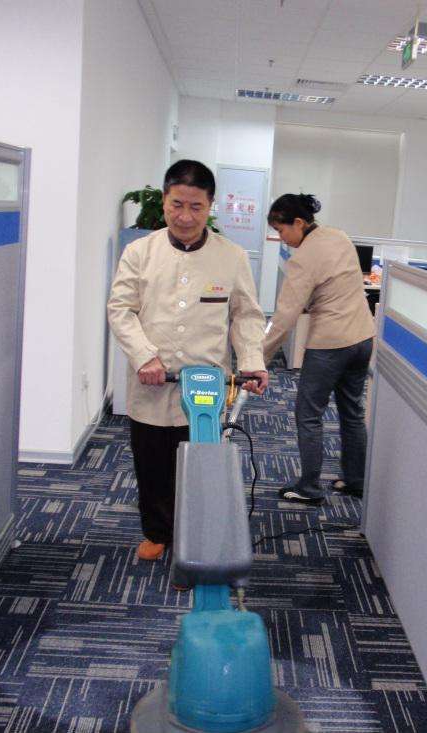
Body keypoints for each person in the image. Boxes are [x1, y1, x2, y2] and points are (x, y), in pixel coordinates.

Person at [108, 160, 268, 561]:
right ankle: (157, 532)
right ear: (164, 200)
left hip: (204, 386)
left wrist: (252, 360)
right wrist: (144, 356)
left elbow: (246, 315)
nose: (185, 216)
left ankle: (193, 545)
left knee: (199, 469)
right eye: (177, 205)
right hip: (151, 381)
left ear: (211, 206)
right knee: (152, 464)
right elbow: (121, 309)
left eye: (196, 207)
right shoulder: (139, 252)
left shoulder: (231, 256)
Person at [263, 194, 375, 505]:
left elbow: (285, 317)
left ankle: (309, 487)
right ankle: (357, 480)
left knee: (308, 414)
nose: (282, 239)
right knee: (352, 412)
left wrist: (259, 357)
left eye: (282, 230)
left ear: (299, 223)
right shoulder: (339, 237)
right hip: (363, 337)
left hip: (330, 344)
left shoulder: (303, 257)